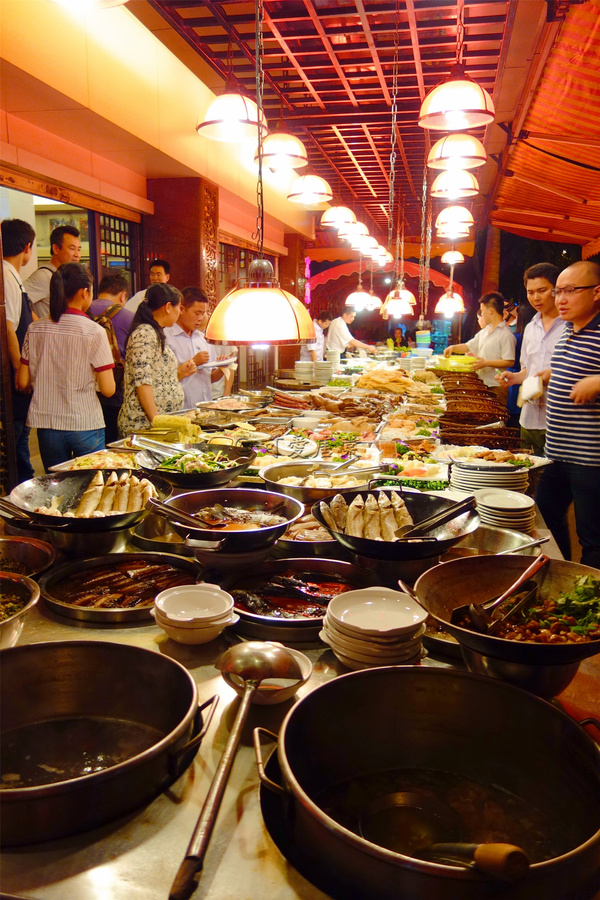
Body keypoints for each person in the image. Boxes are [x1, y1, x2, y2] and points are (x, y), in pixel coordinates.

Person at [18, 263, 115, 471]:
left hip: (47, 425)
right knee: (92, 487)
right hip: (85, 422)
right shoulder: (94, 331)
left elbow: (23, 381)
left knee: (59, 490)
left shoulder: (35, 329)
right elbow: (108, 389)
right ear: (84, 292)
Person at [535, 260, 600, 567]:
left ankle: (592, 603)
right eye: (558, 291)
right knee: (545, 520)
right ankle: (561, 574)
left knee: (593, 537)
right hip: (557, 453)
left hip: (590, 459)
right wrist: (539, 378)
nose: (560, 299)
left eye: (570, 291)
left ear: (596, 292)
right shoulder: (569, 331)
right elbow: (564, 370)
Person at [495, 263, 564, 455]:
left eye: (542, 290)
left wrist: (553, 374)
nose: (536, 297)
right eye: (530, 292)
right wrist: (514, 378)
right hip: (529, 419)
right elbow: (527, 370)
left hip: (561, 421)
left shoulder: (572, 325)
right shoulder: (531, 327)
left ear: (556, 289)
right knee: (531, 476)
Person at [118, 283, 195, 436]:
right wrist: (157, 422)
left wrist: (179, 373)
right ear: (168, 307)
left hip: (157, 423)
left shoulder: (155, 332)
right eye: (178, 308)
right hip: (143, 425)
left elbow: (158, 378)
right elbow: (143, 383)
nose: (180, 313)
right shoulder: (144, 333)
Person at [2, 218, 36, 482]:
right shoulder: (6, 276)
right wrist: (18, 371)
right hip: (13, 376)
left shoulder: (12, 276)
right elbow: (8, 328)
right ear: (27, 247)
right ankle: (20, 489)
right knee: (16, 439)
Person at [444, 292, 516, 406]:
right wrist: (452, 348)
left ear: (491, 311)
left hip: (496, 387)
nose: (481, 314)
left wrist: (486, 363)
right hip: (481, 383)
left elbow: (509, 361)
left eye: (482, 311)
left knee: (495, 420)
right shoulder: (484, 332)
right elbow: (468, 346)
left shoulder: (506, 335)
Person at [88, 270, 134, 443]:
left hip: (86, 393)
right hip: (115, 391)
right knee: (112, 442)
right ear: (123, 296)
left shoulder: (83, 311)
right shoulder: (129, 317)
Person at [165, 287, 230, 407]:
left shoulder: (203, 339)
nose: (200, 318)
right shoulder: (167, 338)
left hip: (205, 407)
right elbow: (164, 380)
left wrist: (221, 367)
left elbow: (210, 378)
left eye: (203, 313)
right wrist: (194, 361)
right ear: (181, 309)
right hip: (181, 408)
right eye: (197, 313)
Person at [24, 225, 81, 319]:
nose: (77, 255)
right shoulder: (44, 276)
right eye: (72, 249)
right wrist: (37, 324)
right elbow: (19, 300)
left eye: (79, 249)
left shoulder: (66, 277)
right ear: (56, 249)